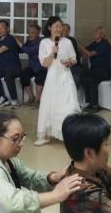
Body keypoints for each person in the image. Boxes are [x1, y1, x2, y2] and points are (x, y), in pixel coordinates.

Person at [0, 110, 83, 213]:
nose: (20, 144)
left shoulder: (8, 159)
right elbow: (13, 201)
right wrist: (55, 195)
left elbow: (29, 177)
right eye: (15, 139)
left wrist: (53, 177)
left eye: (22, 137)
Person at [34, 16, 80, 146]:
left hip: (66, 77)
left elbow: (74, 59)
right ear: (50, 27)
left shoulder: (67, 42)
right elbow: (44, 64)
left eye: (61, 26)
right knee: (50, 105)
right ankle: (45, 135)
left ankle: (70, 135)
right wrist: (52, 53)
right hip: (52, 77)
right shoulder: (44, 43)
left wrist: (69, 62)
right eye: (56, 26)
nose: (59, 29)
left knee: (69, 105)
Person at [78, 26, 111, 114]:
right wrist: (78, 48)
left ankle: (95, 105)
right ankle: (90, 103)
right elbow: (84, 51)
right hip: (94, 70)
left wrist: (78, 44)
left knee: (92, 79)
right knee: (83, 77)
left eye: (96, 32)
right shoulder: (94, 43)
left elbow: (89, 54)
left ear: (102, 35)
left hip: (104, 71)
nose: (94, 33)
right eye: (95, 31)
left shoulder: (104, 44)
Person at [19, 24, 46, 108]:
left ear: (38, 33)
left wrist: (18, 41)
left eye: (33, 32)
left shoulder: (41, 41)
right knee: (23, 75)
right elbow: (22, 50)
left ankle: (38, 100)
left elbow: (29, 51)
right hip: (32, 67)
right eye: (29, 32)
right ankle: (31, 97)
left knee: (39, 78)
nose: (30, 34)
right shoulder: (29, 41)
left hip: (42, 66)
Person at [62, 23, 83, 89]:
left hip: (74, 66)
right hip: (62, 66)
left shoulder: (71, 40)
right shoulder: (58, 40)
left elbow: (70, 56)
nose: (65, 31)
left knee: (75, 79)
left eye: (67, 30)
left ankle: (73, 94)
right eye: (63, 29)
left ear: (69, 31)